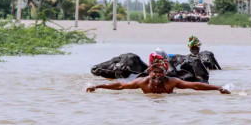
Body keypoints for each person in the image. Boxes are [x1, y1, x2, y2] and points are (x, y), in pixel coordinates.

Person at [86, 53, 230, 94]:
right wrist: (98, 87)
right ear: (150, 72)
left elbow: (195, 86)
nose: (156, 75)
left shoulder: (171, 82)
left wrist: (218, 88)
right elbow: (120, 86)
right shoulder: (142, 82)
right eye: (154, 72)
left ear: (163, 72)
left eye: (159, 73)